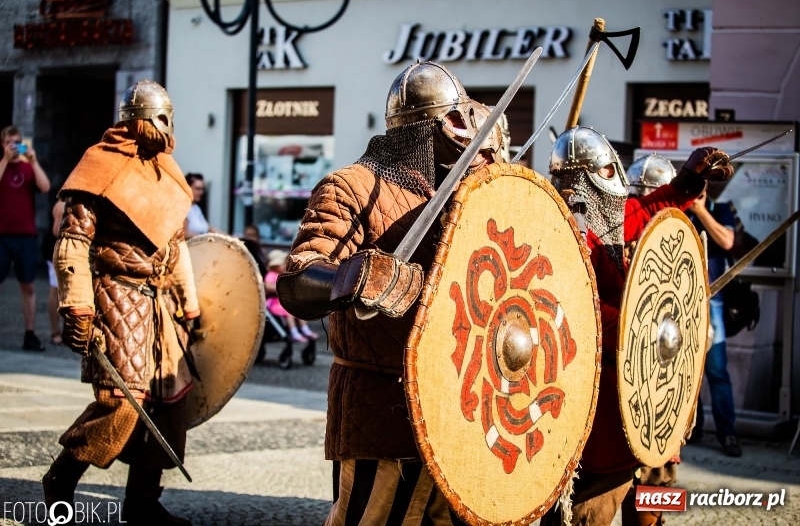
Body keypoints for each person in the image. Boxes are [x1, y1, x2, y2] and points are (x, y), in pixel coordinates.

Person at [276, 61, 498, 525]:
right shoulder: (352, 186)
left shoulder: (468, 190)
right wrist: (354, 278)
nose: (462, 135)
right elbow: (298, 280)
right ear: (422, 129)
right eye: (452, 123)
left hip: (458, 396)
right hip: (381, 394)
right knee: (374, 518)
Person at [539, 127, 733, 526]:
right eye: (610, 169)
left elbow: (646, 210)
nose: (619, 179)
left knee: (650, 495)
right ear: (588, 176)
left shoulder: (600, 219)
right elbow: (582, 314)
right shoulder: (568, 232)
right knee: (587, 508)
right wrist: (641, 328)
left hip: (631, 384)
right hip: (591, 402)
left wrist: (689, 178)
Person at [42, 80, 200, 526]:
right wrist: (77, 305)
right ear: (135, 120)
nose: (165, 127)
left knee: (167, 403)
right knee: (121, 400)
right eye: (158, 117)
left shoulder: (167, 171)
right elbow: (72, 241)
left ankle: (142, 502)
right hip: (115, 293)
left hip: (159, 302)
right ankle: (62, 480)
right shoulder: (98, 165)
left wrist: (190, 305)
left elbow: (177, 245)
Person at [620, 153, 682, 526]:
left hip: (667, 386)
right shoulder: (619, 244)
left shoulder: (681, 243)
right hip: (626, 382)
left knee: (659, 487)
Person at [687, 184, 742, 458]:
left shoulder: (720, 210)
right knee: (683, 368)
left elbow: (727, 241)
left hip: (713, 301)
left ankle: (727, 432)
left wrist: (699, 209)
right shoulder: (679, 211)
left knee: (717, 370)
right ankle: (692, 428)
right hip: (683, 302)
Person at [0, 126, 50, 352]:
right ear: (3, 144)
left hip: (26, 235)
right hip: (2, 235)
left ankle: (30, 334)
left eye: (17, 142)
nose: (14, 146)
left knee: (28, 285)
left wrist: (33, 161)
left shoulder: (28, 167)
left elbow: (45, 186)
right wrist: (4, 160)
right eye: (10, 142)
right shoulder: (2, 166)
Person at [264, 250, 318, 343]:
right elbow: (267, 286)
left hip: (283, 301)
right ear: (276, 266)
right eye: (283, 264)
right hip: (274, 302)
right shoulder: (271, 275)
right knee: (289, 312)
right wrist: (281, 288)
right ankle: (294, 332)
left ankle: (304, 329)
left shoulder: (282, 275)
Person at [44, 198, 66, 345]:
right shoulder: (62, 203)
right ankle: (55, 331)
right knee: (57, 291)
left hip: (68, 250)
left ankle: (67, 331)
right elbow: (55, 230)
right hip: (58, 250)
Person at [184, 172, 220, 238]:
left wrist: (230, 238)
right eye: (197, 189)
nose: (201, 192)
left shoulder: (196, 208)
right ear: (188, 188)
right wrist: (206, 238)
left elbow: (208, 229)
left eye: (202, 189)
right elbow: (183, 234)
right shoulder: (182, 209)